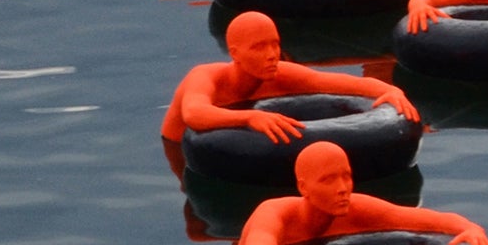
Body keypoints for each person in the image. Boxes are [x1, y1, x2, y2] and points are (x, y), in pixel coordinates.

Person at [231, 139, 488, 245]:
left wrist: (471, 228)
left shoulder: (357, 208)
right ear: (304, 187)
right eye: (328, 181)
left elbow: (429, 220)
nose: (343, 189)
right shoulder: (275, 212)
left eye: (346, 177)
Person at [161, 12, 420, 157]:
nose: (272, 54)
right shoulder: (205, 77)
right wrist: (249, 118)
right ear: (234, 53)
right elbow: (194, 114)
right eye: (259, 47)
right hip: (180, 156)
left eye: (275, 44)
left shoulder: (281, 74)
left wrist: (390, 90)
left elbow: (334, 82)